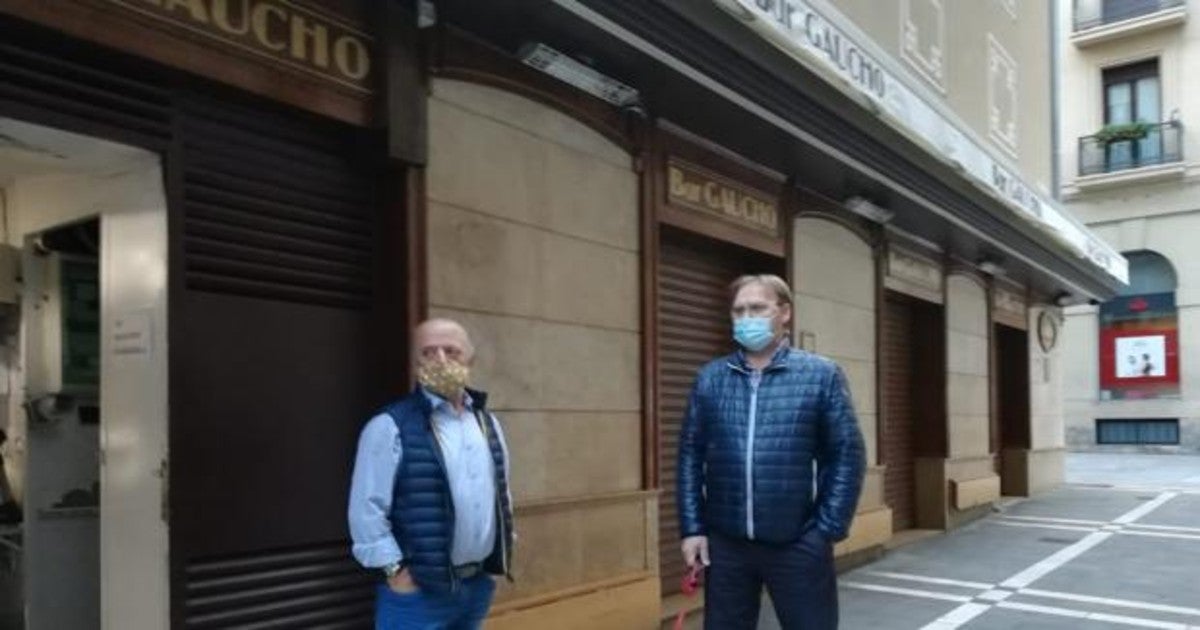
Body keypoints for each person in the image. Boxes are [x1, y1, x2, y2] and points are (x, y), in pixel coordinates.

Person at [677, 274, 866, 630]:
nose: (747, 318)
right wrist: (693, 529)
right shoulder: (711, 378)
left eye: (757, 308)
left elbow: (846, 454)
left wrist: (825, 530)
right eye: (739, 311)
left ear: (785, 313)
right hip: (726, 545)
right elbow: (690, 455)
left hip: (797, 542)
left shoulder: (820, 375)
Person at [348, 318, 514, 630]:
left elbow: (501, 494)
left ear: (470, 360)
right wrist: (393, 570)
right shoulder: (389, 426)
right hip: (417, 594)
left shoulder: (488, 425)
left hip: (476, 585)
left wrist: (501, 553)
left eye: (451, 351)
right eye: (428, 352)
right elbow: (366, 508)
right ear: (415, 363)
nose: (440, 360)